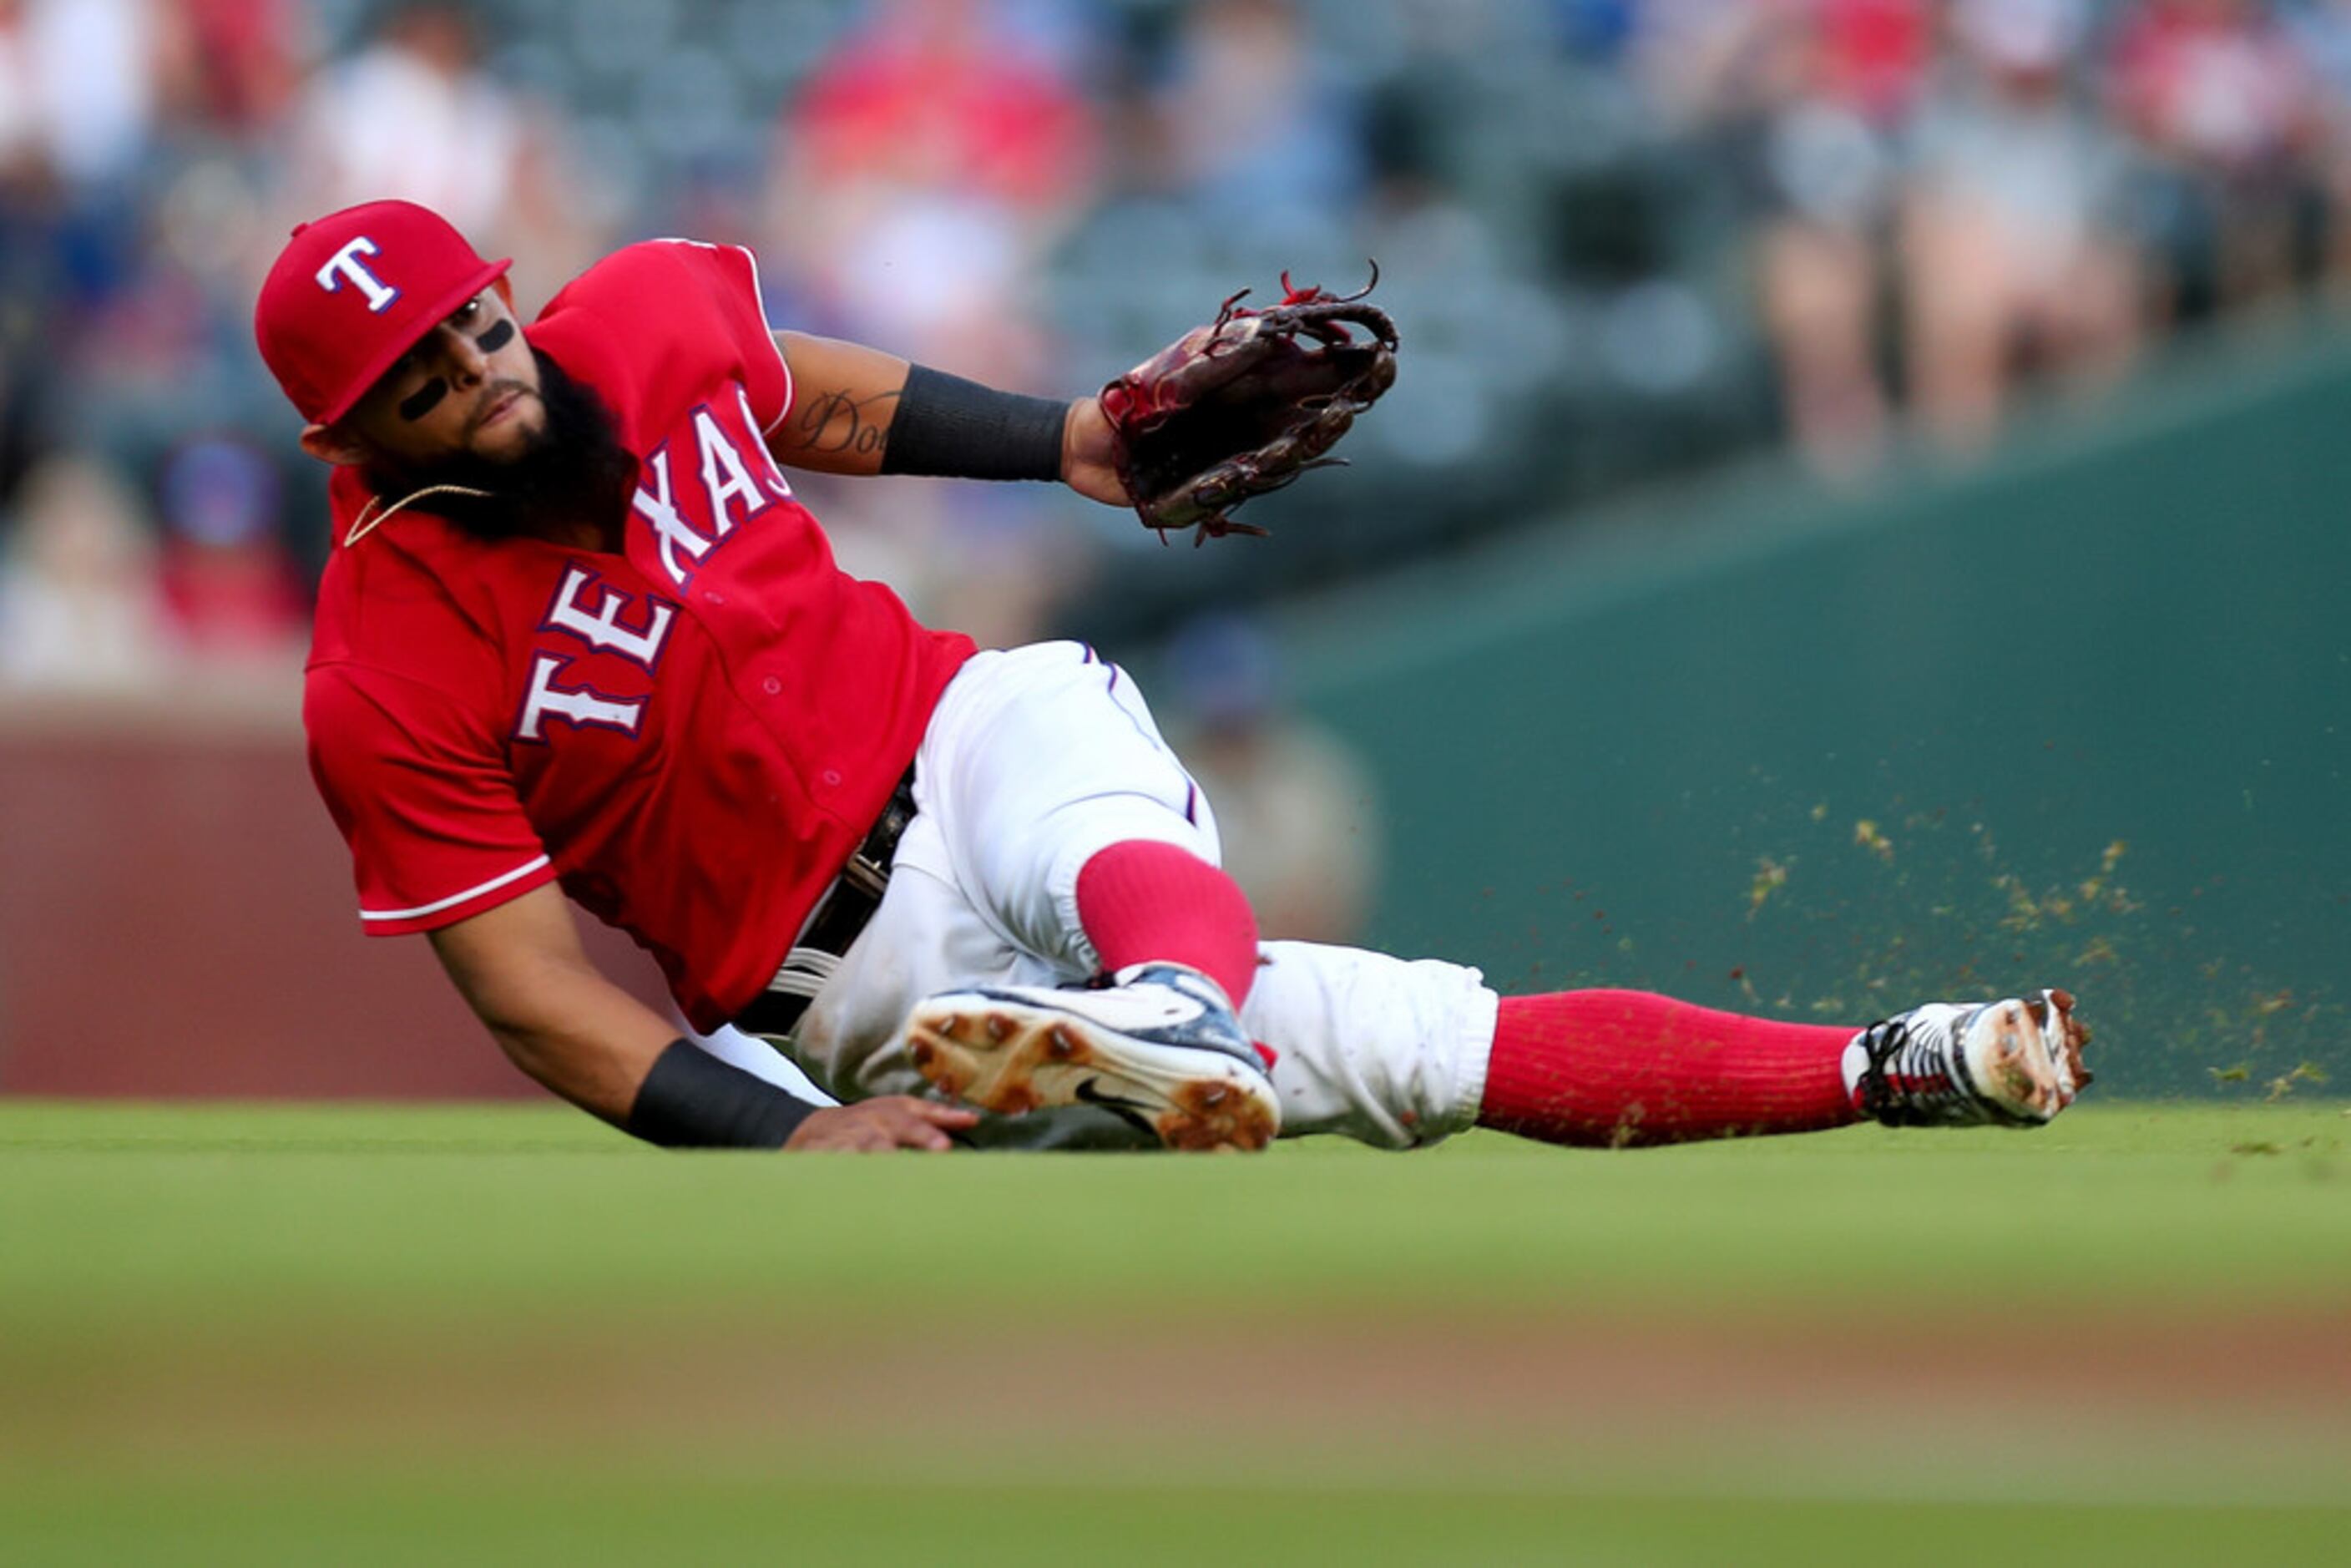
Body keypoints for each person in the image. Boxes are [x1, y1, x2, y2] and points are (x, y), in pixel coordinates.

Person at [255, 200, 2091, 1155]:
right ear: (357, 434)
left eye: (476, 323)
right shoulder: (384, 665)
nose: (487, 375)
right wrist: (785, 1136)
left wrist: (1065, 437)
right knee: (1421, 1044)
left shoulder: (638, 319)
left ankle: (1169, 1016)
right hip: (844, 975)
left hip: (949, 728)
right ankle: (1901, 1064)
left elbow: (809, 393)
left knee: (1073, 755)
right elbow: (529, 999)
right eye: (428, 379)